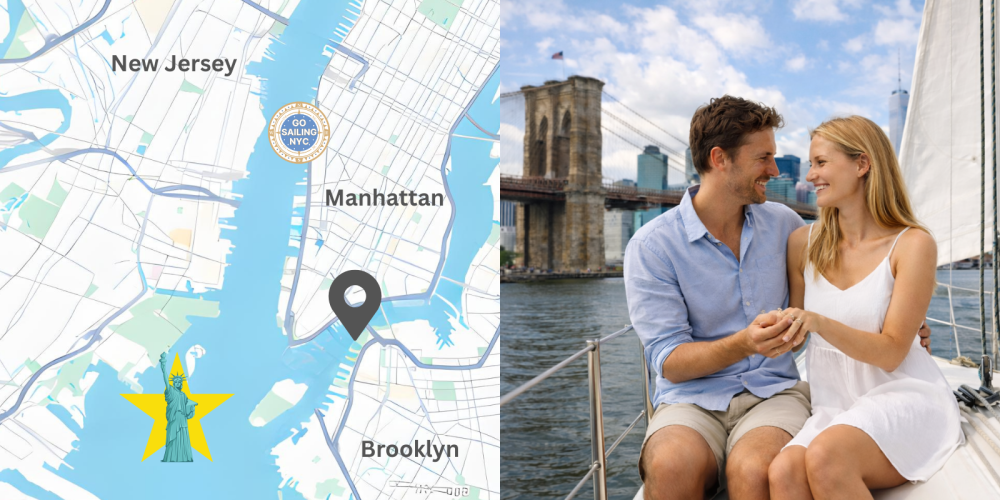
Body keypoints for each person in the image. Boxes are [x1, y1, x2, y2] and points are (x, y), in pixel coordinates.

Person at [625, 96, 931, 500]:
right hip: (691, 399)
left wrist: (903, 326)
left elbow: (851, 278)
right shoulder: (652, 246)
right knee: (669, 467)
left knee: (754, 470)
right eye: (764, 157)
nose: (775, 169)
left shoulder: (785, 225)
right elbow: (670, 364)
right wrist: (744, 343)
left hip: (773, 393)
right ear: (720, 159)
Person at [767, 116, 962, 500]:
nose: (810, 175)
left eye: (821, 162)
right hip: (835, 405)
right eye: (811, 164)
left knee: (826, 456)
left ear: (862, 164)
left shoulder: (912, 244)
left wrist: (818, 321)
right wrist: (781, 330)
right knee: (783, 472)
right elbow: (798, 339)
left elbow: (891, 352)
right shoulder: (801, 244)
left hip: (903, 396)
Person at [159, 352, 198, 462]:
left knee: (183, 438)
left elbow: (187, 412)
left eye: (179, 381)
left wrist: (192, 409)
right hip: (174, 419)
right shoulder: (171, 391)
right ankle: (171, 457)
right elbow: (166, 380)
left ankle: (183, 457)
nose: (177, 382)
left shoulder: (184, 395)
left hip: (183, 420)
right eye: (175, 381)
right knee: (173, 438)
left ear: (181, 383)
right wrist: (163, 366)